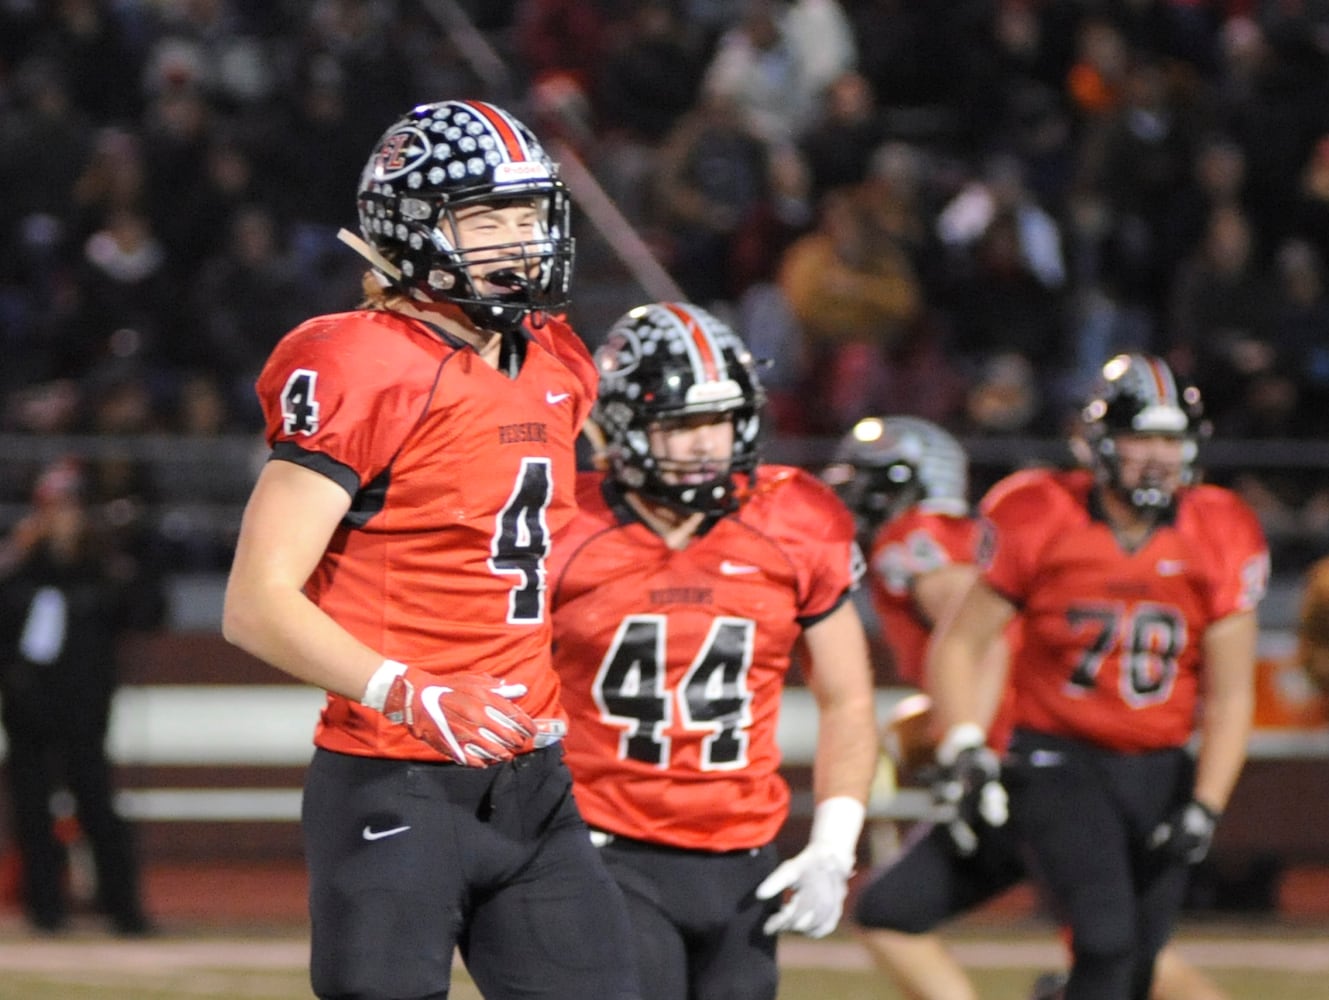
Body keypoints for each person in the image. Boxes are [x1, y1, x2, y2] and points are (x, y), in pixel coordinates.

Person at [221, 99, 640, 1000]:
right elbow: (256, 601)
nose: (519, 240)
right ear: (411, 227)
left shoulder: (555, 354)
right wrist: (403, 689)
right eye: (486, 217)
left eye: (529, 215)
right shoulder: (360, 361)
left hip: (534, 781)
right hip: (393, 777)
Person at [835, 415, 1230, 1000]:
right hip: (1041, 759)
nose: (852, 496)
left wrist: (967, 745)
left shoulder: (912, 540)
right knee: (1117, 951)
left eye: (866, 480)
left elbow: (983, 642)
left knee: (1108, 949)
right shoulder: (962, 533)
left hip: (1021, 769)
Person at [548, 301, 878, 1000]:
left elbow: (847, 697)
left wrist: (834, 843)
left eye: (719, 420)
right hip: (603, 845)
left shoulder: (795, 518)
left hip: (742, 856)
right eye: (681, 424)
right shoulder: (561, 523)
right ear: (623, 426)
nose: (706, 444)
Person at [926, 353, 1269, 1000]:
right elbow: (958, 644)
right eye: (1141, 435)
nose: (1157, 455)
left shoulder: (1219, 527)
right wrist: (965, 743)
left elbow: (1229, 693)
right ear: (1099, 441)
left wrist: (1206, 803)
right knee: (1104, 940)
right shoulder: (1038, 511)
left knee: (1136, 962)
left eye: (1170, 438)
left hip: (1160, 766)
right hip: (1058, 756)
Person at [0, 457, 162, 935]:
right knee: (32, 809)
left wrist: (119, 559)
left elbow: (147, 611)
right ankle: (45, 909)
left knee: (96, 805)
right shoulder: (20, 567)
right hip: (28, 705)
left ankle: (123, 909)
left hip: (85, 707)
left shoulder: (103, 567)